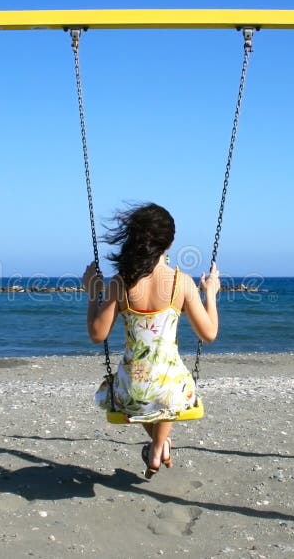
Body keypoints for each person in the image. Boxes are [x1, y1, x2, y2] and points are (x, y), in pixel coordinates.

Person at [82, 202, 220, 479]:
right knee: (166, 392)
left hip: (129, 392)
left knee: (143, 396)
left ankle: (159, 445)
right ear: (168, 244)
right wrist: (211, 293)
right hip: (174, 392)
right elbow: (209, 334)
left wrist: (92, 292)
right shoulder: (182, 282)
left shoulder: (120, 283)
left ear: (133, 240)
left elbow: (97, 335)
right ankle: (158, 445)